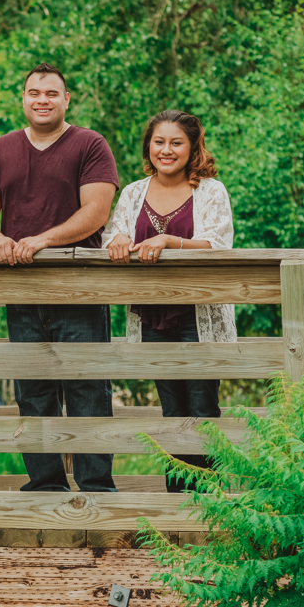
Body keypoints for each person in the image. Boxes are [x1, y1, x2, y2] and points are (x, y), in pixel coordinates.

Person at [0, 63, 120, 493]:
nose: (42, 100)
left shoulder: (90, 144)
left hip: (79, 288)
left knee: (88, 390)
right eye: (34, 92)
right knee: (33, 392)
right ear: (23, 99)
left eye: (52, 93)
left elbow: (97, 211)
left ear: (66, 99)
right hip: (21, 288)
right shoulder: (0, 150)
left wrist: (43, 240)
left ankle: (96, 489)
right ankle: (46, 487)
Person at [105, 110, 236, 492]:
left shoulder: (211, 190)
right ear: (148, 146)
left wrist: (168, 240)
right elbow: (113, 234)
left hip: (198, 313)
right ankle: (177, 500)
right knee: (172, 411)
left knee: (202, 409)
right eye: (158, 142)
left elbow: (219, 243)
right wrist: (116, 240)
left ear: (193, 147)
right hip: (152, 314)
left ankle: (211, 500)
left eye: (176, 142)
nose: (166, 150)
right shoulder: (133, 192)